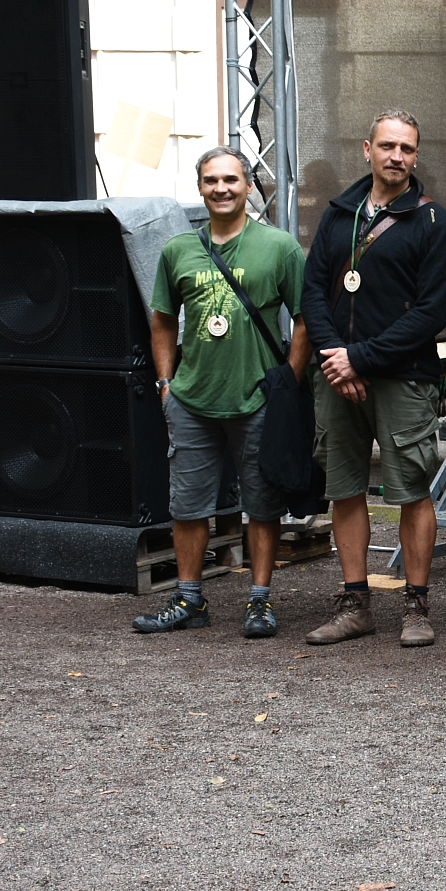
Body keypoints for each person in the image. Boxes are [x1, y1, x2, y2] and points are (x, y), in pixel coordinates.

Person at [300, 110, 446, 649]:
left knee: (412, 491)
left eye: (407, 148)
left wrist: (359, 360)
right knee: (344, 489)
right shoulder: (337, 215)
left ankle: (416, 606)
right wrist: (334, 360)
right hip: (337, 376)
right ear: (366, 149)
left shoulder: (435, 222)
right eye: (388, 146)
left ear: (417, 156)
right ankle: (355, 605)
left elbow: (431, 313)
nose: (397, 156)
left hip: (402, 378)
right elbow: (313, 292)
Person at [134, 148, 309, 639]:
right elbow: (162, 320)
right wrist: (166, 384)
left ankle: (260, 601)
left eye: (231, 179)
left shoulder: (279, 247)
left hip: (257, 399)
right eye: (211, 180)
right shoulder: (177, 250)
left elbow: (305, 320)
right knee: (187, 506)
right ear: (200, 188)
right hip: (191, 399)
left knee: (262, 504)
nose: (221, 188)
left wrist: (288, 384)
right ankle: (190, 599)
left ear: (248, 186)